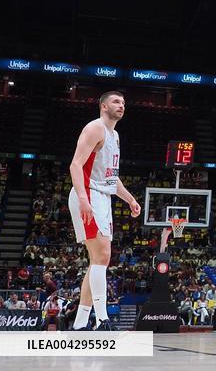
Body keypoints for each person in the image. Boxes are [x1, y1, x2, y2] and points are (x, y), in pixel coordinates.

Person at [67, 91, 140, 331]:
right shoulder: (95, 128)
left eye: (123, 102)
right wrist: (82, 198)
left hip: (102, 197)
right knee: (103, 256)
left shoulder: (115, 135)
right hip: (87, 194)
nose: (121, 105)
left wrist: (130, 199)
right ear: (103, 106)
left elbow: (111, 178)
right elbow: (75, 164)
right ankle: (102, 319)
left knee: (97, 261)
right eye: (116, 101)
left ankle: (78, 325)